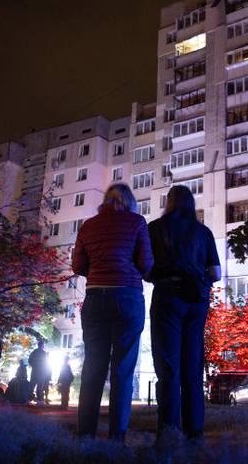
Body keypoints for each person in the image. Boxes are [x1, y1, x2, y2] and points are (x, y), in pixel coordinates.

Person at [72, 183, 153, 443]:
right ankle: (117, 438)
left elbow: (78, 265)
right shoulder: (137, 222)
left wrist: (99, 271)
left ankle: (85, 435)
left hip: (95, 298)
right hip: (127, 298)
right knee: (123, 369)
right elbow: (146, 263)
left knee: (93, 367)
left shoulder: (88, 226)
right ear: (129, 201)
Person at [148, 185, 221, 443]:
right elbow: (216, 274)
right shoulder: (204, 232)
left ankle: (169, 430)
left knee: (168, 365)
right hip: (197, 301)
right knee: (193, 365)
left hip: (168, 296)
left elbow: (146, 267)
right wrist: (199, 281)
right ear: (191, 203)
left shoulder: (155, 228)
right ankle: (195, 431)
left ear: (169, 202)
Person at [29, 339, 50, 405]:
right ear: (42, 346)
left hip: (34, 372)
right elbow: (46, 364)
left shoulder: (34, 352)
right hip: (41, 373)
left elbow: (30, 360)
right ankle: (39, 400)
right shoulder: (44, 354)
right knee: (40, 387)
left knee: (32, 386)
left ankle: (28, 399)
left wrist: (34, 366)